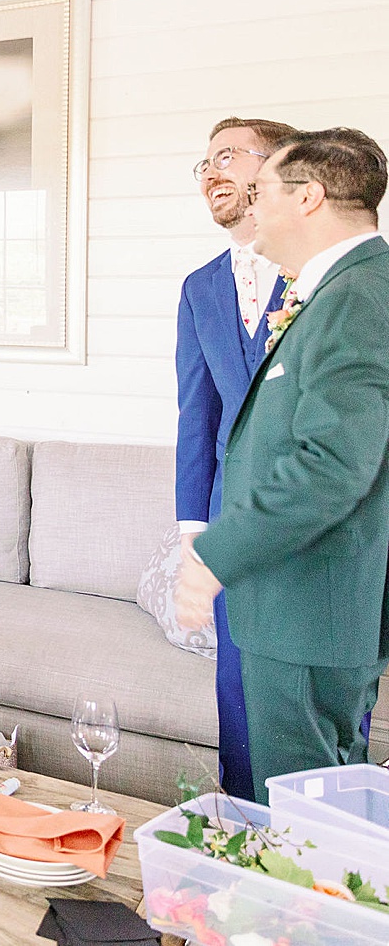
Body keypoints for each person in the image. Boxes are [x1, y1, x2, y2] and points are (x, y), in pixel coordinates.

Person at [177, 127, 389, 804]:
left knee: (297, 815)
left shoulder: (356, 297)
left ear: (310, 197)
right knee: (317, 804)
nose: (251, 209)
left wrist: (215, 554)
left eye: (263, 190)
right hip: (298, 592)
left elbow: (331, 463)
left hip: (309, 596)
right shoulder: (345, 287)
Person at [175, 115, 297, 800]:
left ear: (278, 167)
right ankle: (246, 848)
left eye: (228, 155)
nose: (211, 172)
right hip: (228, 522)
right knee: (239, 694)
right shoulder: (199, 287)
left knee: (311, 699)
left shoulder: (324, 275)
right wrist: (194, 533)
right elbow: (199, 416)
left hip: (313, 524)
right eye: (204, 162)